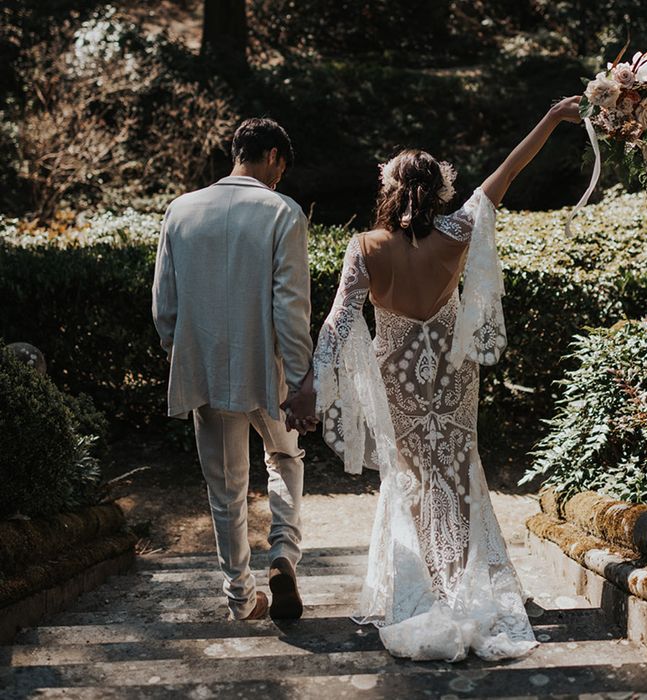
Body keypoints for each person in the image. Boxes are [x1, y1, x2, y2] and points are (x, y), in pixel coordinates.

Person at [283, 96, 582, 661]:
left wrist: (309, 389)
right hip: (451, 370)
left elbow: (337, 324)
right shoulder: (459, 229)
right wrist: (550, 118)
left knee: (413, 475)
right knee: (458, 467)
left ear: (389, 190)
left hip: (399, 371)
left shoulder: (366, 247)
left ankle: (428, 591)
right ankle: (466, 587)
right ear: (439, 188)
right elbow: (510, 170)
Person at [152, 118, 316, 622]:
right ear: (271, 156)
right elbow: (290, 306)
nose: (279, 177)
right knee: (285, 457)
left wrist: (179, 351)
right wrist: (302, 377)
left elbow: (165, 306)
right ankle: (283, 554)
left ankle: (240, 596)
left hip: (203, 368)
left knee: (225, 488)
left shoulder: (180, 209)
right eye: (280, 167)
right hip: (266, 368)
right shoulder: (281, 212)